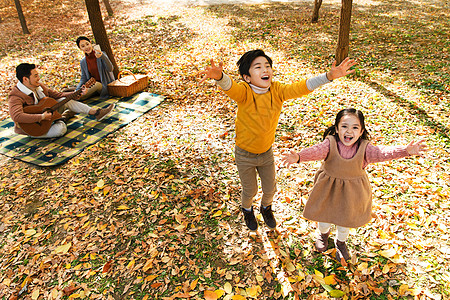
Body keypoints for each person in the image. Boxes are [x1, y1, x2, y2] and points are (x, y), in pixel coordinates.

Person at [200, 49, 357, 231]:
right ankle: (247, 209)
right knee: (250, 190)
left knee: (270, 189)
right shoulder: (244, 92)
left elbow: (301, 87)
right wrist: (220, 77)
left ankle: (266, 208)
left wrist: (328, 76)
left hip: (266, 152)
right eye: (258, 67)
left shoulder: (277, 90)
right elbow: (231, 87)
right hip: (244, 154)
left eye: (267, 66)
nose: (265, 70)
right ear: (247, 77)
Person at [281, 108, 427, 262]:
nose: (349, 131)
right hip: (327, 189)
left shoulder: (365, 148)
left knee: (345, 221)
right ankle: (323, 235)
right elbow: (316, 151)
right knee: (324, 217)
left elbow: (382, 153)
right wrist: (298, 157)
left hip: (351, 193)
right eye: (344, 126)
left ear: (361, 130)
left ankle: (341, 242)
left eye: (355, 127)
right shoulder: (330, 144)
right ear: (337, 129)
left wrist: (405, 150)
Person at [8, 63, 115, 138]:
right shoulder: (15, 95)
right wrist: (41, 117)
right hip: (32, 128)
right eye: (35, 76)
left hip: (47, 117)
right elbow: (16, 116)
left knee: (63, 99)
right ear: (25, 79)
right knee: (61, 129)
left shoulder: (38, 86)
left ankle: (96, 112)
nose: (39, 78)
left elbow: (57, 95)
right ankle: (61, 118)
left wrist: (78, 93)